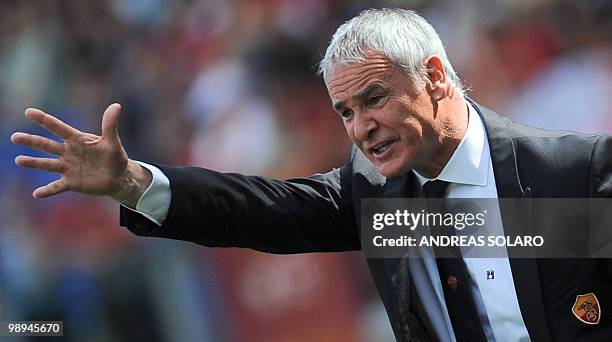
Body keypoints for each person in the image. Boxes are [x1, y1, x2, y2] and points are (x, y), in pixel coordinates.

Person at [11, 8, 612, 342]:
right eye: (344, 112)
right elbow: (256, 208)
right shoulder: (373, 195)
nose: (360, 127)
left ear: (433, 77)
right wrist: (134, 184)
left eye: (374, 99)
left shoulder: (572, 172)